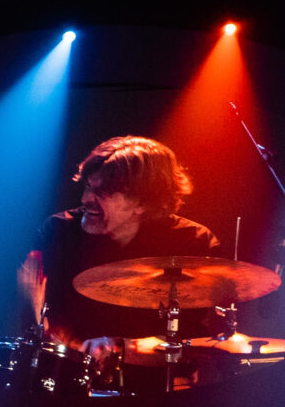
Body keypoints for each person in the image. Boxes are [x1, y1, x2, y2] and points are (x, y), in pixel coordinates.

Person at [19, 135, 223, 367]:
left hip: (156, 380)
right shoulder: (60, 232)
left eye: (103, 192)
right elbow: (40, 324)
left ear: (142, 202)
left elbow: (197, 340)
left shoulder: (191, 243)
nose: (86, 199)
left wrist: (124, 348)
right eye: (88, 186)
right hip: (69, 375)